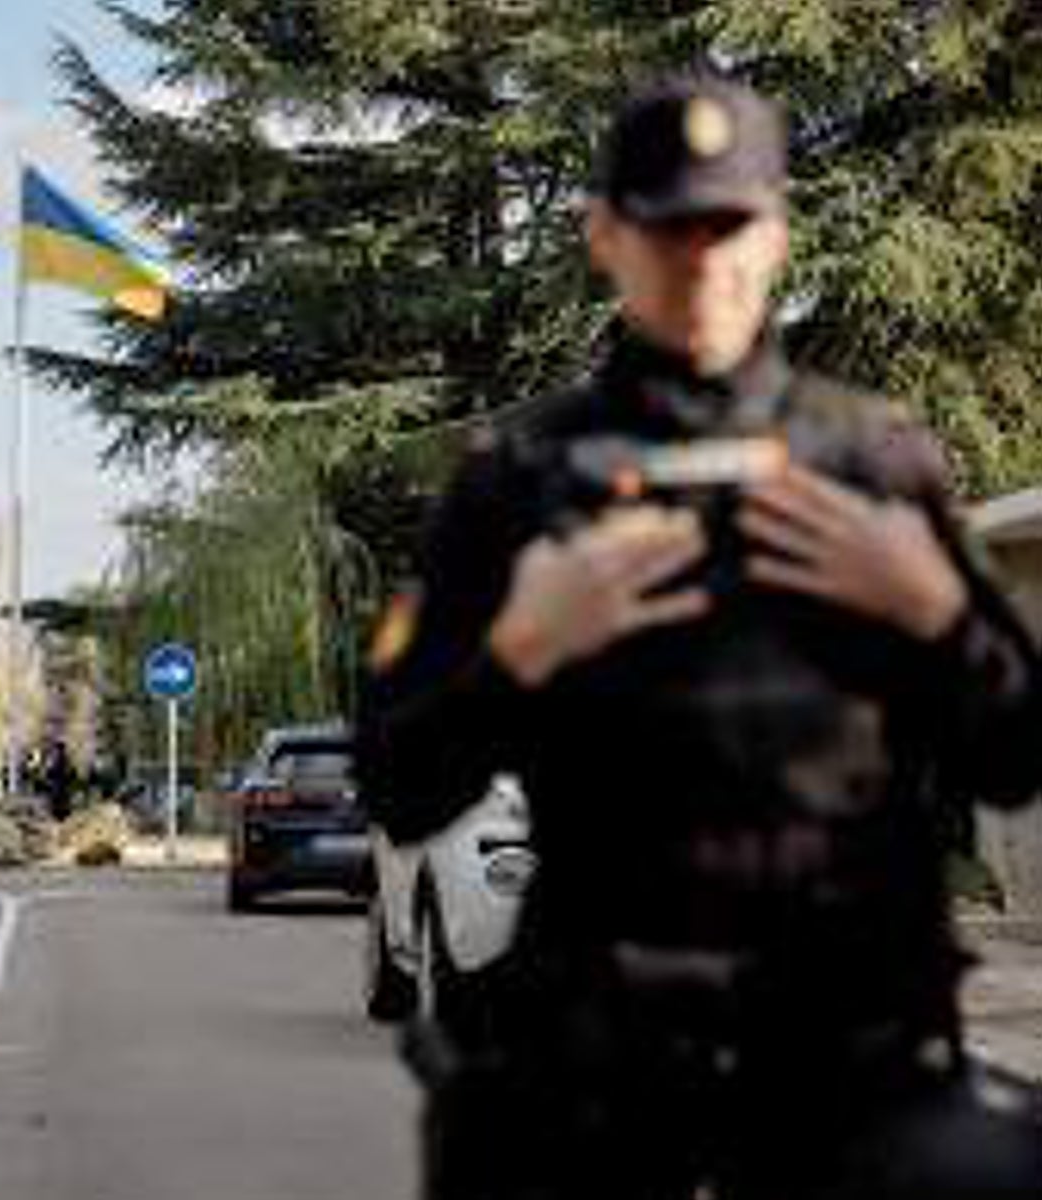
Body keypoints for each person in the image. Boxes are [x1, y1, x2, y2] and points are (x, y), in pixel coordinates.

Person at [356, 75, 1042, 1200]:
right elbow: (400, 785)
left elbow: (1016, 759)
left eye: (729, 225)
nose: (701, 260)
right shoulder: (517, 483)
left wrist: (937, 611)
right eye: (668, 227)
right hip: (606, 1058)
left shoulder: (874, 464)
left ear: (776, 235)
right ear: (606, 237)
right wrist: (519, 650)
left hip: (851, 1055)